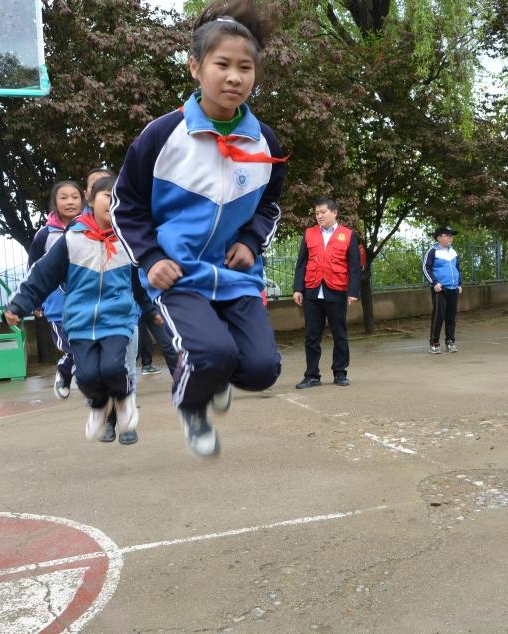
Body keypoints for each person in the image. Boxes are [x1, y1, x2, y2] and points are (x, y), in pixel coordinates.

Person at [111, 0, 287, 459]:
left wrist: (251, 241)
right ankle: (192, 406)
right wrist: (150, 258)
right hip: (178, 275)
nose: (234, 77)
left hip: (235, 276)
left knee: (263, 370)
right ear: (195, 67)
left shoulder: (265, 142)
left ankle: (213, 377)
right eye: (222, 65)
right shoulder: (161, 136)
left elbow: (270, 204)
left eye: (245, 67)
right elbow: (124, 206)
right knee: (211, 354)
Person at [7, 176, 146, 441]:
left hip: (117, 319)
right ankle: (98, 407)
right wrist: (19, 304)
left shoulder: (129, 240)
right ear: (90, 201)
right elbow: (42, 274)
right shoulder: (72, 239)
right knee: (87, 376)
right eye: (108, 196)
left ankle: (124, 401)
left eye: (120, 197)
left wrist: (153, 310)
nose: (114, 202)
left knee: (114, 368)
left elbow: (144, 281)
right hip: (80, 320)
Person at [292, 197, 361, 388]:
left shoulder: (348, 235)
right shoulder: (309, 233)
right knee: (311, 336)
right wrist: (298, 288)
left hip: (336, 290)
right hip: (312, 291)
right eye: (317, 213)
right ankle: (312, 375)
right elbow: (301, 263)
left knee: (339, 333)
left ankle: (340, 373)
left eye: (323, 212)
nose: (319, 216)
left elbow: (355, 266)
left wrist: (353, 291)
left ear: (334, 212)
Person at [27, 180, 85, 398]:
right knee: (72, 347)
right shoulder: (44, 235)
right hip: (57, 304)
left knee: (89, 345)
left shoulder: (92, 229)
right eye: (64, 197)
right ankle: (66, 370)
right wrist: (35, 300)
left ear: (83, 200)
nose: (70, 202)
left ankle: (71, 371)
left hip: (87, 301)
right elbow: (34, 268)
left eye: (75, 197)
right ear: (54, 202)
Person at [422, 225, 462, 353]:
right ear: (439, 237)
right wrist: (434, 283)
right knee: (438, 316)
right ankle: (434, 343)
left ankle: (450, 342)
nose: (451, 238)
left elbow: (457, 268)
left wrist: (459, 284)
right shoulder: (433, 251)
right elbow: (425, 268)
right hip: (441, 289)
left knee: (451, 317)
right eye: (448, 235)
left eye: (452, 236)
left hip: (454, 288)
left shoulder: (453, 252)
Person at [136, 267, 178, 375]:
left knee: (169, 346)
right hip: (135, 312)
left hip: (150, 307)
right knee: (135, 350)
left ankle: (181, 380)